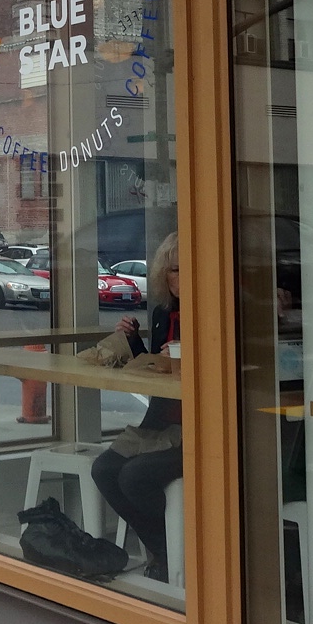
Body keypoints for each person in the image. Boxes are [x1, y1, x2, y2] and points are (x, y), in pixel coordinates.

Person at [91, 231, 182, 581]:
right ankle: (165, 548)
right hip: (159, 421)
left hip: (196, 428)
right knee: (104, 469)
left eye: (189, 269)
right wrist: (132, 341)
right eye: (174, 270)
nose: (181, 278)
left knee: (135, 476)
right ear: (163, 275)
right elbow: (154, 365)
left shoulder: (218, 312)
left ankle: (176, 551)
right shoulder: (162, 314)